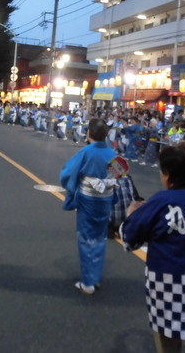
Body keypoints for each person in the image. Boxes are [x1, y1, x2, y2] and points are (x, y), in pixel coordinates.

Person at [121, 144, 185, 353]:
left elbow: (130, 238)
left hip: (168, 278)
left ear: (166, 174)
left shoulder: (161, 201)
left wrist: (131, 214)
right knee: (179, 331)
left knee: (166, 333)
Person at [60, 118, 117, 295]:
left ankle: (88, 282)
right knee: (100, 238)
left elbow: (68, 173)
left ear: (89, 134)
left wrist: (73, 184)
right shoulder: (112, 152)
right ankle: (95, 276)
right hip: (106, 199)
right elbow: (118, 174)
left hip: (88, 199)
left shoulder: (86, 152)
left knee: (86, 238)